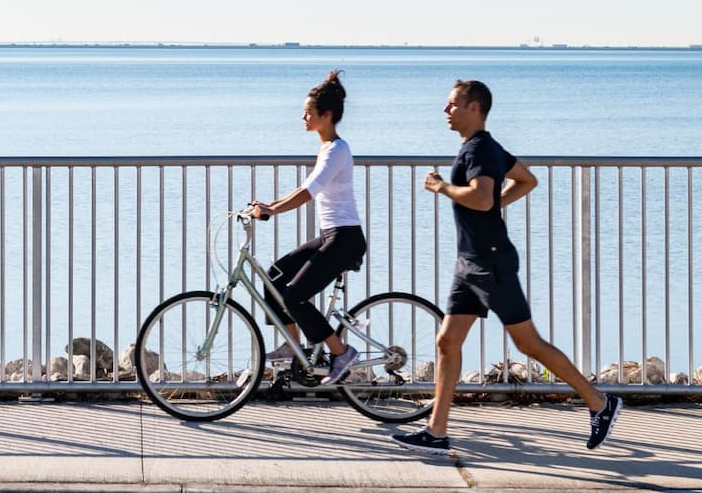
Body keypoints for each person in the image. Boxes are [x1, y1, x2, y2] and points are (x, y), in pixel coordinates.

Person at [392, 80, 622, 454]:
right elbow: (526, 180)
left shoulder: (480, 148)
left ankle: (599, 402)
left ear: (475, 108)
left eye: (452, 105)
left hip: (490, 262)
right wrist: (496, 203)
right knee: (447, 342)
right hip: (470, 262)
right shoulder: (485, 147)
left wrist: (442, 188)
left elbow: (482, 200)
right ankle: (436, 432)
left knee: (527, 342)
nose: (445, 111)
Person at [244, 70, 365, 386]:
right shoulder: (327, 148)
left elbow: (308, 192)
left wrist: (272, 209)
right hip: (331, 236)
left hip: (345, 239)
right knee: (275, 277)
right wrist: (268, 204)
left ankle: (341, 352)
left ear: (325, 116)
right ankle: (293, 344)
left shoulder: (338, 149)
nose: (303, 117)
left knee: (295, 296)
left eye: (308, 113)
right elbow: (305, 186)